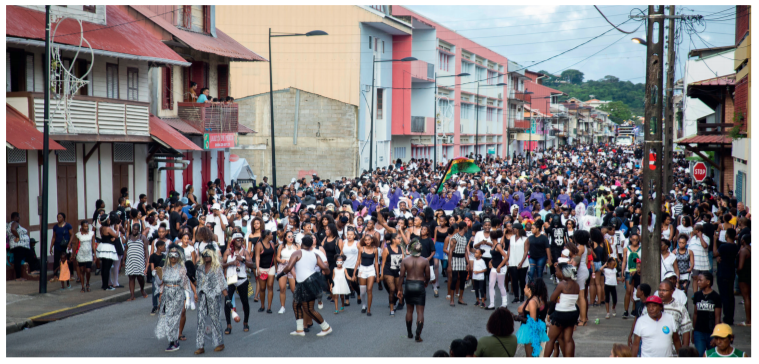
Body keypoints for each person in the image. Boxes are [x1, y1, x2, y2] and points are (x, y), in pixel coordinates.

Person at [276, 235, 333, 337]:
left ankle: (326, 327)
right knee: (296, 304)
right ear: (311, 244)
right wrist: (330, 278)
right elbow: (325, 268)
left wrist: (279, 275)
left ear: (301, 243)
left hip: (305, 282)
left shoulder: (297, 253)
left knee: (309, 309)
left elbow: (289, 267)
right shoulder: (315, 255)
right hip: (311, 281)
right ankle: (299, 329)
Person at [155, 244, 196, 352]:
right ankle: (172, 339)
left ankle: (174, 342)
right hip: (167, 294)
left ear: (178, 257)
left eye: (175, 255)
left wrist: (187, 298)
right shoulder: (165, 269)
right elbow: (161, 283)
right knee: (168, 318)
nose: (173, 258)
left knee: (174, 318)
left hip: (178, 293)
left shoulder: (182, 269)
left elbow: (186, 284)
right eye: (171, 256)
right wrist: (160, 294)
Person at [193, 244, 229, 354]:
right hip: (202, 296)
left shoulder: (216, 268)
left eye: (208, 254)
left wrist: (227, 297)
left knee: (215, 318)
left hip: (214, 296)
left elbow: (222, 283)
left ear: (212, 255)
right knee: (200, 320)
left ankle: (220, 343)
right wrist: (195, 292)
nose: (206, 256)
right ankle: (200, 346)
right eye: (204, 254)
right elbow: (197, 282)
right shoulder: (199, 268)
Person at [398, 240, 431, 342]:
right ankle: (418, 334)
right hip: (419, 284)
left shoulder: (405, 260)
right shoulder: (425, 261)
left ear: (411, 249)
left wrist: (399, 289)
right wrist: (425, 283)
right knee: (420, 311)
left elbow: (401, 276)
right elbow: (428, 276)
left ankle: (409, 333)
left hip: (408, 285)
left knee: (409, 310)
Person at [544, 263, 579, 357]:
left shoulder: (562, 284)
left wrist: (557, 298)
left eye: (557, 271)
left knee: (550, 339)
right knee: (568, 340)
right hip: (572, 313)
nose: (556, 273)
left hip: (560, 314)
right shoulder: (576, 285)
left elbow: (552, 298)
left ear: (564, 273)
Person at [222, 233, 253, 334]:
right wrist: (231, 263)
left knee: (245, 302)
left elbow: (252, 265)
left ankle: (246, 322)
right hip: (230, 279)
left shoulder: (245, 252)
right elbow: (222, 265)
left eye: (241, 240)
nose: (240, 242)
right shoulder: (227, 252)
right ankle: (228, 325)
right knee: (227, 302)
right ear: (233, 241)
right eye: (238, 240)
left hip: (242, 279)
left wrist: (243, 259)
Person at [515, 279, 549, 357]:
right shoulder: (533, 299)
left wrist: (518, 318)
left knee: (530, 356)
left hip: (530, 331)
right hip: (530, 330)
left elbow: (533, 320)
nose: (524, 289)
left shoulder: (532, 301)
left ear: (529, 289)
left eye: (525, 287)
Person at [691, 271, 722, 356]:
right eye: (698, 280)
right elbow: (695, 313)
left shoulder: (716, 296)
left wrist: (716, 335)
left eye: (700, 280)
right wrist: (693, 330)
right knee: (699, 354)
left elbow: (717, 317)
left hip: (711, 332)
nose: (698, 282)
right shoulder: (697, 295)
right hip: (699, 331)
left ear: (708, 282)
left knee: (712, 356)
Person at [712, 228, 739, 325]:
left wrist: (715, 240)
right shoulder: (735, 247)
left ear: (726, 235)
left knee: (724, 297)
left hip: (723, 273)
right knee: (730, 296)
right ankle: (729, 317)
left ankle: (726, 318)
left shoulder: (724, 247)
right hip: (731, 273)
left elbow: (715, 253)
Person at [352, 234, 379, 315]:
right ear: (364, 241)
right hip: (362, 269)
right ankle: (364, 305)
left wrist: (378, 275)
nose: (367, 241)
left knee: (369, 289)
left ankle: (369, 309)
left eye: (369, 239)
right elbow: (357, 261)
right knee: (362, 291)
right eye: (366, 240)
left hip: (371, 269)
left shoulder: (375, 249)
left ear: (372, 240)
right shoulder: (361, 248)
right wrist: (354, 273)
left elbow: (376, 263)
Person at [380, 233, 405, 316]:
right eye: (398, 238)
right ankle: (392, 309)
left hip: (397, 271)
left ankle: (399, 302)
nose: (400, 240)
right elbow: (383, 262)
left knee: (398, 289)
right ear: (393, 240)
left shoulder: (401, 248)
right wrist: (382, 274)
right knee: (392, 289)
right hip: (388, 271)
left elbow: (403, 261)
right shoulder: (387, 249)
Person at [8, 212, 37, 280]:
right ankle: (18, 277)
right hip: (18, 245)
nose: (19, 218)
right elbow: (13, 229)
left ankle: (32, 270)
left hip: (23, 245)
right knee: (18, 260)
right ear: (16, 217)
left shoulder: (12, 224)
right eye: (19, 217)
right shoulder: (14, 223)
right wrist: (18, 236)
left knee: (30, 254)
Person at [276, 230, 298, 314]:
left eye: (292, 236)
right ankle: (282, 306)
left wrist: (293, 261)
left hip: (293, 267)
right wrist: (281, 260)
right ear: (285, 237)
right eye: (289, 236)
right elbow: (277, 257)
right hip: (283, 267)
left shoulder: (296, 246)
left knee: (294, 289)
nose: (291, 238)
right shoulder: (281, 246)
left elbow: (300, 256)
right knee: (282, 288)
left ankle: (297, 305)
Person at [254, 230, 277, 313]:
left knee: (270, 286)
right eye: (271, 234)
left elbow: (274, 256)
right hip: (262, 268)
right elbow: (257, 257)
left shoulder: (272, 244)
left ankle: (269, 307)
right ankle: (262, 305)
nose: (272, 235)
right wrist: (258, 269)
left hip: (271, 268)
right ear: (267, 236)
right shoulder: (259, 244)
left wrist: (276, 268)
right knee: (262, 288)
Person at [95, 214, 119, 290]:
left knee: (104, 267)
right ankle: (106, 286)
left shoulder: (101, 228)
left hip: (102, 247)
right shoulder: (108, 229)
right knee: (107, 267)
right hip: (108, 248)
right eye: (108, 220)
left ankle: (104, 284)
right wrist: (117, 229)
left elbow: (104, 236)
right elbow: (116, 236)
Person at [125, 223, 149, 300]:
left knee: (140, 277)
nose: (134, 231)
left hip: (140, 261)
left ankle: (142, 289)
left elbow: (146, 250)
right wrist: (123, 260)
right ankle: (132, 295)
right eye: (133, 229)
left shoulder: (143, 237)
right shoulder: (128, 237)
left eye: (136, 229)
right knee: (131, 277)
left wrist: (147, 260)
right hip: (130, 261)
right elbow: (126, 249)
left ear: (139, 230)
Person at [449, 221, 470, 306]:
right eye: (467, 227)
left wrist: (468, 263)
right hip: (455, 259)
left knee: (463, 280)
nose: (467, 228)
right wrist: (449, 265)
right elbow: (450, 251)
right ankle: (452, 299)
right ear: (464, 227)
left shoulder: (464, 238)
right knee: (454, 279)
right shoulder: (454, 238)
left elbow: (465, 251)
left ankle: (460, 298)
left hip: (462, 260)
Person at [69, 220, 94, 291]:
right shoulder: (78, 235)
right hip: (81, 254)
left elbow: (93, 245)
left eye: (87, 226)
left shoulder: (91, 234)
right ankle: (82, 286)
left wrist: (94, 254)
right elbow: (76, 245)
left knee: (88, 270)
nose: (86, 227)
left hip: (89, 254)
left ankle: (88, 283)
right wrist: (73, 254)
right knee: (82, 270)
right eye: (85, 226)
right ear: (82, 227)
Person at [51, 212, 74, 288]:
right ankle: (55, 275)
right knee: (56, 259)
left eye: (60, 217)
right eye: (57, 217)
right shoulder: (55, 227)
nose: (58, 219)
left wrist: (69, 244)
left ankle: (70, 274)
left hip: (65, 245)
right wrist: (51, 246)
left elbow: (72, 235)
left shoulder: (68, 226)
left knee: (67, 260)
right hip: (57, 245)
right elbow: (54, 237)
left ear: (63, 218)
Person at [486, 230, 508, 309]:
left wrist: (499, 266)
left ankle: (504, 303)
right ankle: (492, 304)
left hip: (500, 268)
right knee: (491, 284)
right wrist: (491, 261)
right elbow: (495, 256)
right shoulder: (494, 245)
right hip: (494, 267)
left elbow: (506, 257)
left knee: (501, 285)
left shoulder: (498, 245)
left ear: (491, 237)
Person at [507, 226, 529, 303]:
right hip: (512, 262)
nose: (512, 230)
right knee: (514, 280)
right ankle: (516, 296)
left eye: (514, 228)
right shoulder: (512, 238)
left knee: (522, 280)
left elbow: (526, 251)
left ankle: (522, 295)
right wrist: (507, 259)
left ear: (518, 229)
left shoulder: (525, 239)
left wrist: (521, 262)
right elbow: (509, 249)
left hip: (523, 263)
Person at [736, 233, 751, 327]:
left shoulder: (743, 251)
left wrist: (736, 270)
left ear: (743, 240)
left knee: (746, 297)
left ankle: (748, 320)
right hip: (751, 274)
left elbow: (740, 266)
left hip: (744, 276)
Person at [149, 240, 166, 315]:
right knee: (155, 291)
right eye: (164, 246)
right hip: (156, 275)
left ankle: (162, 305)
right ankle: (155, 306)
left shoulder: (164, 256)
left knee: (162, 291)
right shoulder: (152, 256)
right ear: (159, 247)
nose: (165, 248)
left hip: (163, 275)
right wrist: (155, 273)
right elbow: (152, 267)